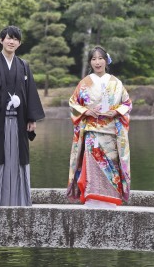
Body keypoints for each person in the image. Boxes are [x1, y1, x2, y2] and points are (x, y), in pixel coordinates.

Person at [0, 25, 45, 206]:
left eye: (15, 39)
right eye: (8, 38)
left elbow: (30, 93)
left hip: (18, 122)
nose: (11, 41)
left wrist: (31, 118)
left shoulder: (23, 66)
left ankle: (20, 201)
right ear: (1, 40)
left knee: (17, 159)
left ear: (19, 43)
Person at [67, 46, 131, 207]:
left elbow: (127, 103)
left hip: (110, 133)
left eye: (100, 58)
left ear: (106, 61)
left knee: (111, 167)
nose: (97, 62)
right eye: (93, 59)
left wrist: (115, 112)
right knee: (93, 166)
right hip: (92, 132)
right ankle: (92, 199)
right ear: (90, 62)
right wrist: (87, 111)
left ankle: (111, 200)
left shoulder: (116, 82)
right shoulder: (85, 83)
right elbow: (73, 104)